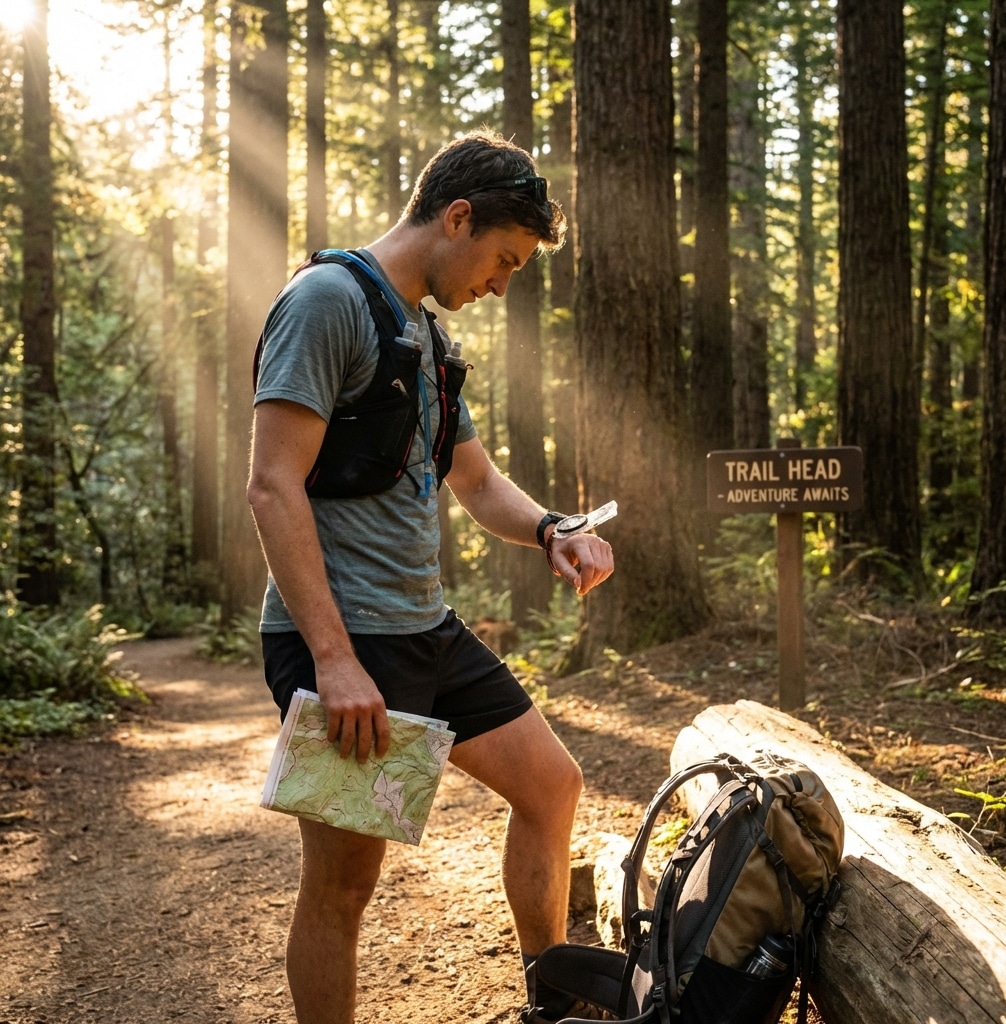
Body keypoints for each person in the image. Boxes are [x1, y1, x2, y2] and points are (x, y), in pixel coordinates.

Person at [247, 128, 615, 1024]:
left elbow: (477, 481)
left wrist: (552, 530)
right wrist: (335, 661)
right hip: (341, 640)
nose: (499, 283)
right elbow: (271, 484)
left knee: (550, 785)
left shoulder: (425, 334)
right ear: (457, 217)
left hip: (424, 627)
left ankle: (552, 1002)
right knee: (343, 887)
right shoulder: (326, 301)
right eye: (503, 259)